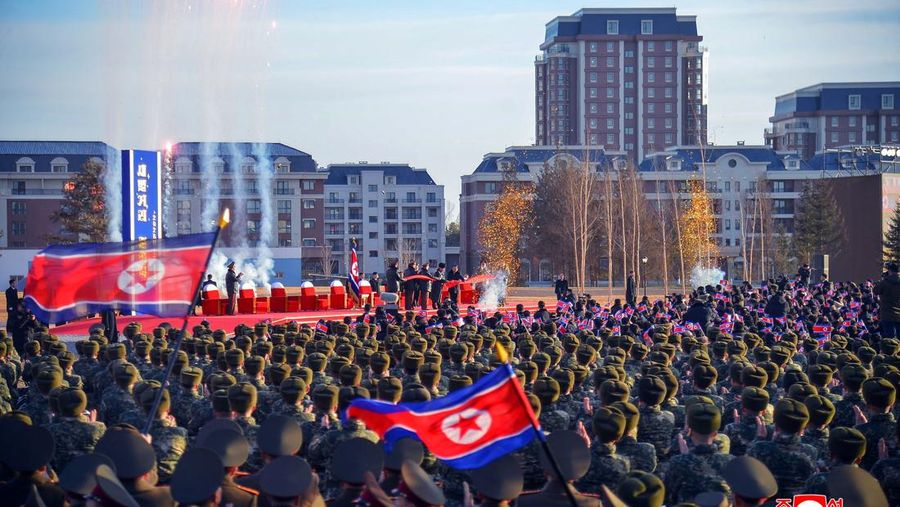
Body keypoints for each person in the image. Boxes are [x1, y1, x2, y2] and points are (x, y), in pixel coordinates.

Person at [875, 262, 900, 338]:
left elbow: (876, 290)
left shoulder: (885, 281)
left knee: (890, 338)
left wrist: (883, 279)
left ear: (889, 270)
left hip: (887, 313)